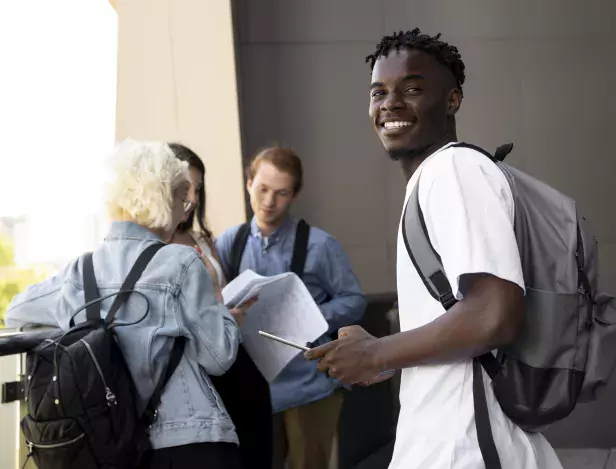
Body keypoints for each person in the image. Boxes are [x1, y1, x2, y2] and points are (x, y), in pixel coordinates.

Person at [306, 29, 563, 469]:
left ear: (453, 100)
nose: (389, 103)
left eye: (412, 88)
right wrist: (379, 350)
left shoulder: (454, 170)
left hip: (466, 447)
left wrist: (376, 353)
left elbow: (494, 314)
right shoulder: (436, 177)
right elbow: (462, 320)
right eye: (378, 92)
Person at [5, 139, 251, 469]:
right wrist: (221, 306)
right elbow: (219, 357)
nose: (185, 212)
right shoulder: (181, 263)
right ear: (163, 200)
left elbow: (16, 310)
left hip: (109, 444)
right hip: (188, 439)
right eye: (183, 200)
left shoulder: (82, 271)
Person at [215, 145, 367, 469]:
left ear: (295, 194)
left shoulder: (320, 244)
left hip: (308, 388)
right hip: (252, 389)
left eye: (281, 193)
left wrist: (309, 317)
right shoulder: (229, 242)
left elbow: (354, 300)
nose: (269, 202)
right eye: (263, 189)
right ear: (248, 184)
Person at [168, 142, 265, 469]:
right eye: (185, 187)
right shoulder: (155, 244)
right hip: (199, 375)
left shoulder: (203, 239)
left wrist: (231, 305)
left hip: (236, 359)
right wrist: (222, 311)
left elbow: (218, 294)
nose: (193, 197)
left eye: (198, 187)